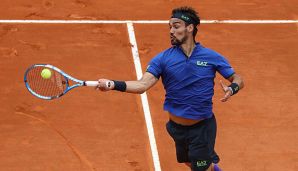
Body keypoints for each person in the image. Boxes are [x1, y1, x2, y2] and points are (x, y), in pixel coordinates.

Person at [95, 6, 244, 171]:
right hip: (176, 128)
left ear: (190, 27)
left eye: (176, 26)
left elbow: (237, 78)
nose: (171, 31)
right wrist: (112, 84)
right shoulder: (163, 59)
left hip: (201, 128)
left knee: (200, 168)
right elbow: (142, 85)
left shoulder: (211, 57)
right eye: (170, 27)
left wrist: (232, 88)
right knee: (189, 162)